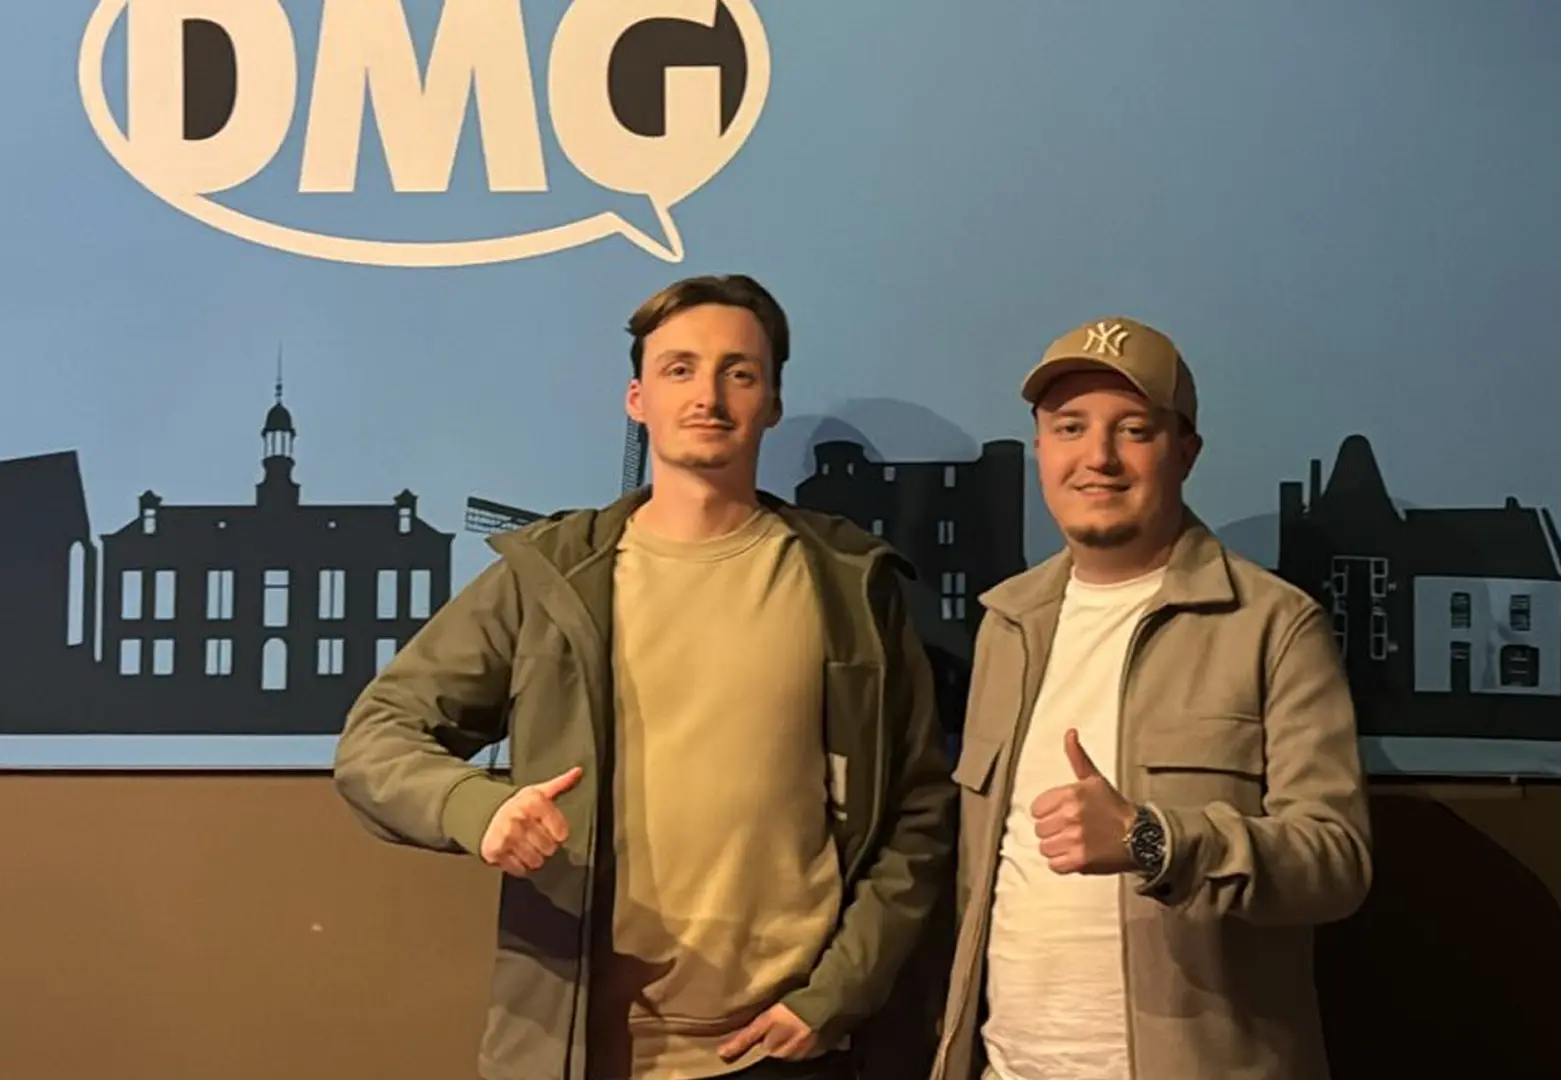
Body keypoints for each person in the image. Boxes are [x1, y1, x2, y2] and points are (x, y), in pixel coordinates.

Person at [332, 274, 956, 1080]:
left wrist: (834, 995)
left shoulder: (850, 583)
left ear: (771, 401)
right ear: (638, 399)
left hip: (789, 1051)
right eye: (679, 369)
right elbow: (376, 740)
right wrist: (477, 807)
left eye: (739, 372)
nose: (708, 396)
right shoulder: (549, 579)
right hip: (580, 1052)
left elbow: (917, 812)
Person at [930, 316, 1374, 1080]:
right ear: (1040, 447)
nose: (1097, 457)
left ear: (1185, 451)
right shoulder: (1007, 623)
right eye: (1070, 427)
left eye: (1133, 430)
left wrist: (1153, 839)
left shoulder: (1273, 625)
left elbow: (1336, 862)